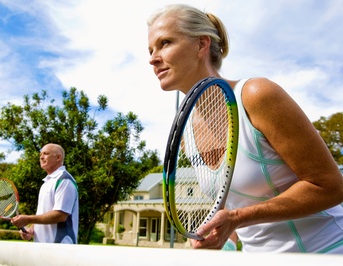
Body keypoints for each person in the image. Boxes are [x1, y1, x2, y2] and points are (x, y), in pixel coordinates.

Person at [147, 4, 343, 253]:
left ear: (201, 44)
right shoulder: (188, 137)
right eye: (151, 49)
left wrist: (238, 217)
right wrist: (222, 239)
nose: (152, 58)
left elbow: (330, 186)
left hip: (327, 253)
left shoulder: (256, 96)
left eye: (165, 43)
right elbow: (234, 206)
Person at [11, 143, 79, 244]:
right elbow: (43, 214)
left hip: (60, 248)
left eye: (46, 154)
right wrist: (31, 229)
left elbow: (60, 215)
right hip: (42, 247)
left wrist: (28, 219)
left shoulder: (65, 180)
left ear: (58, 157)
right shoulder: (46, 183)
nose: (41, 157)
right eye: (40, 155)